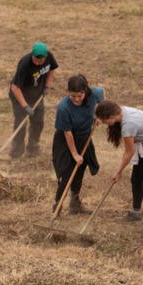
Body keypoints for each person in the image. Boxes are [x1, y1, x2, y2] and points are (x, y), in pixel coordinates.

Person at [94, 100, 143, 246]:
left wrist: (118, 172)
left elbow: (129, 152)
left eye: (105, 122)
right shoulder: (120, 110)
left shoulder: (128, 125)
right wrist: (98, 119)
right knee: (135, 180)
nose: (106, 125)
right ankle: (135, 213)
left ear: (112, 117)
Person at [52, 75, 103, 213]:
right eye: (73, 96)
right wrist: (74, 154)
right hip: (65, 141)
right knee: (66, 173)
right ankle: (57, 206)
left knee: (80, 170)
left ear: (85, 91)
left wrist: (98, 115)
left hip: (84, 137)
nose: (76, 99)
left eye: (79, 96)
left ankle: (75, 205)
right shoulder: (64, 108)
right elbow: (67, 133)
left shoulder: (94, 94)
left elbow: (101, 95)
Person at [8, 42, 58, 159]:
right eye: (35, 59)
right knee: (21, 124)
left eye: (40, 61)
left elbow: (52, 69)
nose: (37, 63)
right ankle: (16, 153)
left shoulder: (49, 57)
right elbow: (15, 87)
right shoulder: (25, 63)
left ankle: (32, 147)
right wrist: (25, 106)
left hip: (36, 95)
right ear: (32, 55)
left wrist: (47, 85)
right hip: (20, 96)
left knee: (38, 122)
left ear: (45, 57)